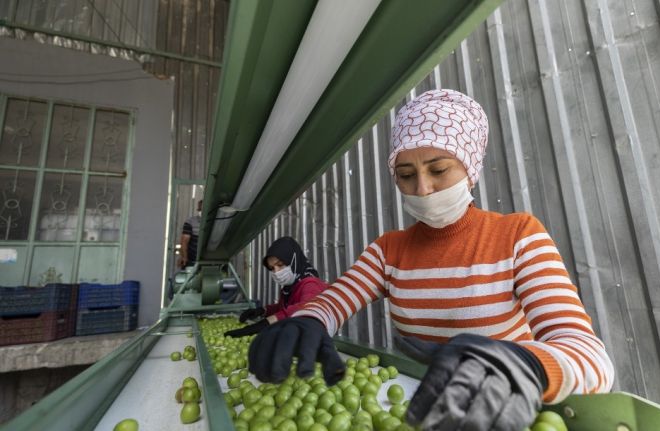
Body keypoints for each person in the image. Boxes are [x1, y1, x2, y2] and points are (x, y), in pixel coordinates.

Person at [246, 89, 615, 431]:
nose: (422, 189)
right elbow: (335, 301)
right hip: (415, 411)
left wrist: (525, 364)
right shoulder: (388, 251)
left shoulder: (517, 236)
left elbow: (589, 355)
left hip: (500, 413)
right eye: (406, 175)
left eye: (438, 170)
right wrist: (306, 320)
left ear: (470, 168)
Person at [225, 236, 329, 337]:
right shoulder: (290, 287)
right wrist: (263, 310)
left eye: (280, 264)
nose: (276, 272)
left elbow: (305, 307)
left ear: (294, 260)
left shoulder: (310, 283)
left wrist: (265, 323)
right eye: (272, 268)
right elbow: (283, 309)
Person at [178, 199, 201, 269]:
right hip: (193, 259)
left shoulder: (215, 222)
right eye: (200, 210)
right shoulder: (191, 222)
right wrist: (184, 257)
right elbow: (184, 241)